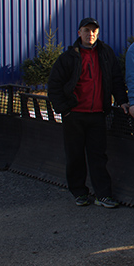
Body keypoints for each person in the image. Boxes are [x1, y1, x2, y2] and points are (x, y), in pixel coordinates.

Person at [48, 18, 128, 208]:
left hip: (98, 114)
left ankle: (103, 194)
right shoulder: (69, 57)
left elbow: (116, 79)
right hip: (74, 115)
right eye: (86, 30)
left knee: (98, 156)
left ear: (97, 33)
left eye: (93, 31)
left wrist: (122, 100)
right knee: (75, 156)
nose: (90, 34)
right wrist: (64, 109)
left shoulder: (106, 54)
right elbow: (54, 85)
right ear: (79, 33)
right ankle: (79, 192)